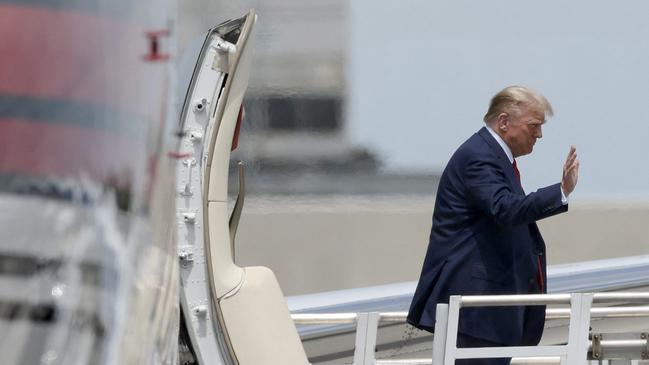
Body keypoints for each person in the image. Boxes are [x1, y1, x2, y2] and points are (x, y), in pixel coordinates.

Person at [407, 86, 580, 364]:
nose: (539, 134)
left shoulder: (494, 156)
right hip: (477, 312)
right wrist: (560, 191)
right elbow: (505, 209)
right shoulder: (479, 156)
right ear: (503, 122)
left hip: (489, 312)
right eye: (534, 126)